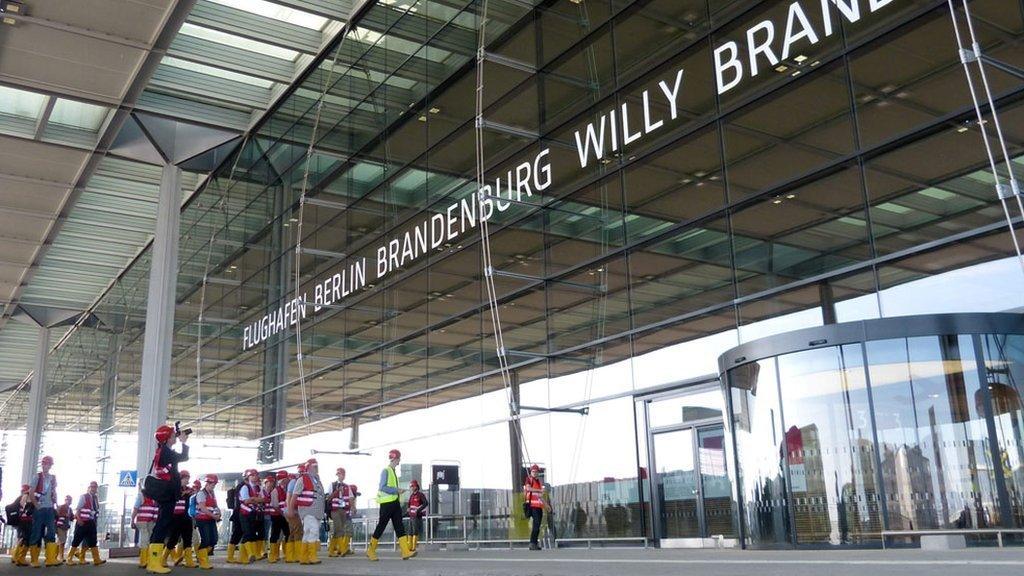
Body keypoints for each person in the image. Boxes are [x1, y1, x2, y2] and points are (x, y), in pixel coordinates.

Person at [146, 423, 190, 574]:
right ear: (166, 439)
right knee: (162, 526)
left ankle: (154, 562)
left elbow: (179, 458)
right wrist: (184, 442)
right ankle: (154, 563)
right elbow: (184, 456)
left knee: (162, 525)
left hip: (167, 494)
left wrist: (178, 437)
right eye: (172, 435)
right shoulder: (165, 451)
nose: (175, 437)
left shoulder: (164, 450)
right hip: (167, 494)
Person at [367, 449, 414, 561]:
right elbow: (382, 487)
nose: (399, 461)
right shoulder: (386, 471)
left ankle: (405, 552)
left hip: (395, 503)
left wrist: (397, 492)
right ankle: (371, 551)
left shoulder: (392, 472)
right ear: (396, 458)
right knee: (381, 526)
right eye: (399, 458)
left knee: (399, 526)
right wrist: (396, 490)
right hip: (387, 504)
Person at [287, 458, 325, 565]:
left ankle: (304, 557)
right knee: (313, 530)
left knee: (308, 532)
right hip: (307, 510)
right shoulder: (302, 479)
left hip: (317, 511)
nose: (316, 468)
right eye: (314, 466)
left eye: (317, 466)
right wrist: (290, 509)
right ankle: (312, 556)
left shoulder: (318, 479)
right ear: (308, 467)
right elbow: (294, 495)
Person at [27, 454, 59, 567]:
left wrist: (56, 505)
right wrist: (36, 505)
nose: (47, 465)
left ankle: (50, 559)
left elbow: (54, 492)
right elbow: (31, 492)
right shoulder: (37, 477)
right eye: (45, 463)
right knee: (36, 532)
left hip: (50, 508)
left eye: (49, 463)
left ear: (51, 465)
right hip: (39, 509)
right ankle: (34, 560)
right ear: (42, 464)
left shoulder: (53, 478)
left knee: (51, 532)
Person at [162, 471, 195, 568]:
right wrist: (185, 493)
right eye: (185, 478)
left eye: (188, 478)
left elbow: (193, 495)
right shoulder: (174, 488)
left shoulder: (189, 489)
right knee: (174, 538)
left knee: (188, 538)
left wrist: (190, 492)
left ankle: (189, 561)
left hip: (186, 516)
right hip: (175, 516)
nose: (187, 480)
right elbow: (173, 497)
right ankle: (163, 558)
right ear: (180, 478)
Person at [68, 481, 105, 566]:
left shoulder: (95, 498)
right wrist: (79, 519)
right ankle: (69, 558)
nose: (93, 488)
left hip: (91, 522)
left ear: (97, 488)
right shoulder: (84, 497)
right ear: (89, 487)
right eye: (92, 486)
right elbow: (78, 509)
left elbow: (95, 510)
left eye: (95, 487)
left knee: (93, 540)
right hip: (82, 522)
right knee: (77, 540)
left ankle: (96, 559)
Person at [193, 475, 221, 570]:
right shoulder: (201, 493)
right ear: (208, 483)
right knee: (206, 540)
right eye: (213, 484)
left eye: (215, 484)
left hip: (210, 519)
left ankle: (200, 556)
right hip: (202, 519)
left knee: (214, 539)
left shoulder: (212, 493)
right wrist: (214, 516)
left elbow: (215, 505)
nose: (214, 486)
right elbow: (202, 508)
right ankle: (203, 561)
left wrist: (219, 513)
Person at [237, 469, 265, 564]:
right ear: (248, 477)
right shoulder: (245, 487)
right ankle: (249, 554)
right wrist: (256, 499)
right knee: (247, 533)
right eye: (252, 475)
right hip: (245, 514)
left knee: (251, 534)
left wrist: (253, 499)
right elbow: (246, 501)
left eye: (256, 475)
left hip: (253, 513)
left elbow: (263, 499)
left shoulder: (258, 487)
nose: (255, 477)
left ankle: (244, 556)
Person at [327, 467, 356, 558]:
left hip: (344, 510)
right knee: (339, 529)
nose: (340, 476)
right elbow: (329, 497)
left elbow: (351, 498)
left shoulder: (347, 486)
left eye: (341, 474)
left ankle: (331, 551)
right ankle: (343, 550)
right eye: (338, 474)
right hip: (335, 510)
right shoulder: (332, 485)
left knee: (338, 530)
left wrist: (353, 507)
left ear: (344, 475)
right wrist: (337, 491)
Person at [131, 490, 159, 568]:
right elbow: (135, 508)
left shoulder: (154, 495)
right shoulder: (141, 495)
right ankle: (143, 561)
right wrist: (132, 520)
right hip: (142, 521)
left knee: (149, 540)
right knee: (145, 539)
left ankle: (147, 560)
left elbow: (156, 509)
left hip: (151, 521)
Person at [266, 473, 288, 563]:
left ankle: (287, 554)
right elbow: (275, 505)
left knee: (287, 533)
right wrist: (283, 513)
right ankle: (273, 555)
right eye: (286, 479)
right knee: (275, 534)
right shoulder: (275, 491)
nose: (287, 481)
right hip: (276, 516)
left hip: (284, 515)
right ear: (282, 480)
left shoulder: (285, 490)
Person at [524, 464, 547, 551]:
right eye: (533, 471)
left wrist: (546, 505)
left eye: (536, 471)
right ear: (531, 472)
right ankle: (532, 543)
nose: (535, 473)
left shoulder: (538, 482)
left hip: (538, 506)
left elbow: (540, 496)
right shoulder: (529, 479)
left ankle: (534, 543)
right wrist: (539, 490)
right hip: (532, 506)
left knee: (537, 525)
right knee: (536, 525)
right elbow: (528, 489)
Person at [283, 469, 303, 563]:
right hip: (292, 510)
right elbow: (289, 497)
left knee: (293, 532)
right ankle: (297, 555)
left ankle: (290, 556)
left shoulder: (296, 481)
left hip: (293, 510)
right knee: (298, 531)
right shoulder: (294, 482)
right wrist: (290, 509)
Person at [12, 485, 35, 566]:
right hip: (26, 520)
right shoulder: (27, 496)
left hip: (21, 520)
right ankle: (21, 558)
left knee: (21, 538)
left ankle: (16, 556)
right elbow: (28, 510)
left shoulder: (19, 497)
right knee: (26, 538)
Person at [225, 473, 244, 564]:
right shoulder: (242, 486)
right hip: (239, 513)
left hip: (239, 513)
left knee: (241, 533)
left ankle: (240, 556)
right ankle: (230, 556)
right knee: (237, 534)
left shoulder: (243, 486)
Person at [406, 479, 427, 553]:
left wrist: (418, 509)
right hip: (411, 516)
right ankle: (409, 547)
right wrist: (408, 509)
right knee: (410, 531)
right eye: (411, 486)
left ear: (416, 486)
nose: (411, 487)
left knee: (415, 531)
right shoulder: (411, 495)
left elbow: (425, 503)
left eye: (412, 486)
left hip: (417, 516)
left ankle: (413, 548)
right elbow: (409, 504)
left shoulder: (420, 495)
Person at [55, 496, 73, 563]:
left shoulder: (70, 509)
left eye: (70, 500)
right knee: (61, 541)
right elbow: (56, 515)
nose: (69, 501)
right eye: (68, 500)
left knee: (61, 541)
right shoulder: (61, 507)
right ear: (65, 500)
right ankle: (60, 556)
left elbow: (71, 517)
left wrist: (73, 517)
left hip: (65, 527)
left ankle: (55, 556)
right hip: (60, 526)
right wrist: (64, 515)